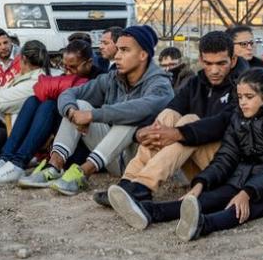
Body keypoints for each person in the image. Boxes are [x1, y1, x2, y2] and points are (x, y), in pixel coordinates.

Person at [109, 68, 263, 240]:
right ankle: (148, 211)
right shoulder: (238, 117)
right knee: (203, 199)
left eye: (249, 97)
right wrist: (200, 184)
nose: (243, 103)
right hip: (246, 177)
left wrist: (246, 193)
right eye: (240, 97)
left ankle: (202, 225)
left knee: (237, 208)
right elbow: (226, 157)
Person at [97, 31, 248, 207]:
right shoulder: (196, 83)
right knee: (169, 115)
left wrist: (178, 133)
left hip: (228, 167)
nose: (214, 70)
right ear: (200, 60)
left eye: (221, 63)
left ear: (233, 60)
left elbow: (223, 123)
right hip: (199, 167)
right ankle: (128, 183)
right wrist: (149, 131)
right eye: (208, 63)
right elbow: (172, 108)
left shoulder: (244, 85)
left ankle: (143, 186)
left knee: (189, 121)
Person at [29, 26, 174, 196]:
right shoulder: (112, 78)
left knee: (127, 118)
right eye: (118, 49)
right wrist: (73, 113)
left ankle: (83, 174)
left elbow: (140, 108)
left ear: (143, 55)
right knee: (80, 104)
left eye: (125, 50)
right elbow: (69, 93)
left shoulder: (160, 85)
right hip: (108, 156)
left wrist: (92, 115)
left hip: (138, 161)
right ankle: (54, 166)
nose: (117, 56)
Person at [0, 39, 103, 184]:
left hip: (85, 146)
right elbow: (40, 91)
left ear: (89, 63)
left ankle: (19, 162)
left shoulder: (100, 79)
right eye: (65, 66)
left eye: (73, 67)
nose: (67, 71)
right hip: (64, 142)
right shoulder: (68, 76)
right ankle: (6, 158)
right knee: (32, 100)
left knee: (50, 104)